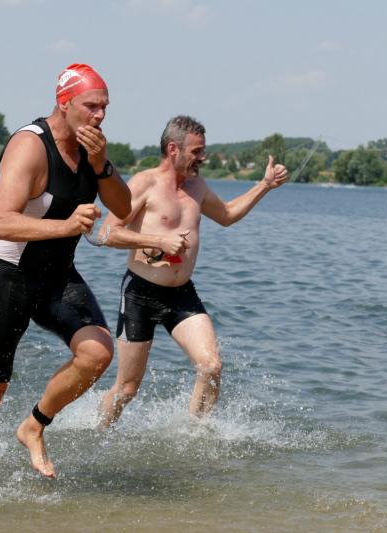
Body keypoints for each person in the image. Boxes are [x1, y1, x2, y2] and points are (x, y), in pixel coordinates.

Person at [0, 63, 132, 478]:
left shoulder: (92, 150)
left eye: (105, 106)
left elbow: (124, 206)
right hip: (7, 273)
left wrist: (102, 164)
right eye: (91, 105)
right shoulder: (30, 146)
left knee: (98, 352)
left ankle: (34, 425)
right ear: (65, 103)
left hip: (57, 275)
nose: (100, 115)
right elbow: (1, 222)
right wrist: (67, 226)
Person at [95, 115, 289, 427]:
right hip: (139, 294)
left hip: (182, 294)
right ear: (173, 149)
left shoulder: (197, 187)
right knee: (127, 389)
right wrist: (158, 240)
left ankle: (196, 438)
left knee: (211, 367)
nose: (203, 158)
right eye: (197, 151)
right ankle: (99, 433)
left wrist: (264, 185)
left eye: (203, 151)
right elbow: (106, 233)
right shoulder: (145, 183)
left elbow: (227, 215)